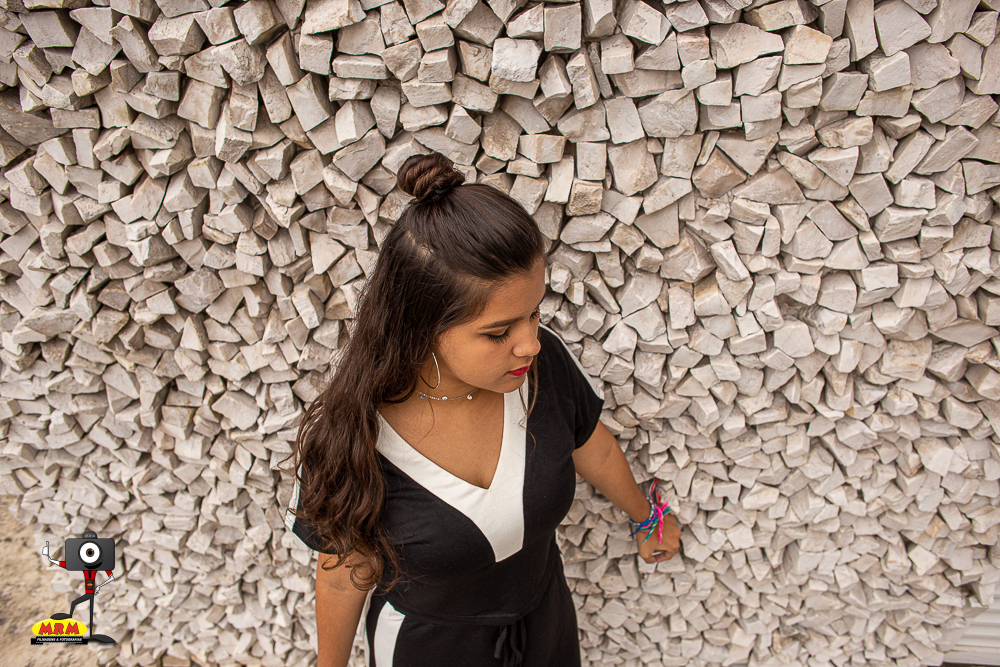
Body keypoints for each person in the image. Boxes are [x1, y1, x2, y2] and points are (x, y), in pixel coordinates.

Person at [282, 151, 681, 667]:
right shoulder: (353, 435)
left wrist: (646, 518)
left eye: (534, 313)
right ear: (421, 325)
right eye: (498, 333)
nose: (531, 343)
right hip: (429, 649)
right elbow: (343, 574)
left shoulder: (540, 367)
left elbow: (590, 446)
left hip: (545, 624)